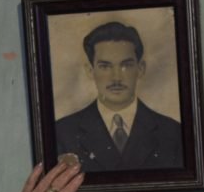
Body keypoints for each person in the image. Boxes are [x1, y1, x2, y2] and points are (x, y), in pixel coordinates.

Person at [54, 21, 183, 172]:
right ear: (90, 70)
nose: (116, 78)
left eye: (126, 65)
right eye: (105, 66)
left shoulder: (172, 133)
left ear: (140, 69)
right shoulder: (62, 133)